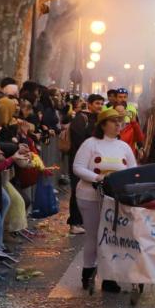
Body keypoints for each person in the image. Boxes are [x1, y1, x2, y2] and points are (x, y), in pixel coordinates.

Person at [71, 107, 136, 293]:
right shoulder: (90, 144)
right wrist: (98, 178)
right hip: (90, 196)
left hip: (117, 199)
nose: (118, 125)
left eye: (120, 121)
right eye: (114, 121)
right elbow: (78, 167)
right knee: (93, 235)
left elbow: (133, 169)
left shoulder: (124, 147)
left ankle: (109, 277)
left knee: (112, 237)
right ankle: (88, 273)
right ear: (103, 124)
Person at [68, 94, 104, 235]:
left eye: (101, 103)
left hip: (93, 163)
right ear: (89, 104)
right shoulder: (81, 118)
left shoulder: (98, 119)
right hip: (80, 161)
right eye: (97, 103)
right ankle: (74, 222)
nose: (100, 106)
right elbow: (79, 140)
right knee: (77, 189)